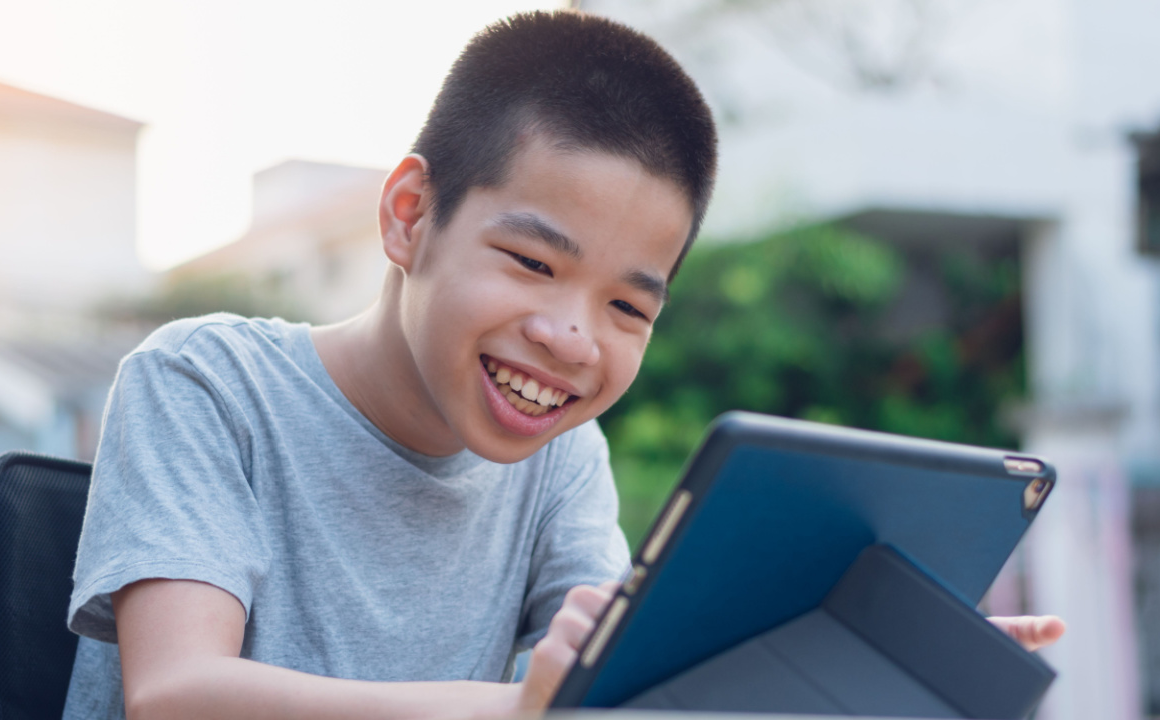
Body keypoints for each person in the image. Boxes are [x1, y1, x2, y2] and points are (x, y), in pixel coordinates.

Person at [60, 10, 1064, 720]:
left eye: (629, 305)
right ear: (410, 216)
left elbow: (603, 691)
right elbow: (176, 696)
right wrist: (519, 708)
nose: (575, 338)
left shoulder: (562, 459)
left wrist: (853, 664)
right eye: (534, 263)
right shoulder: (206, 383)